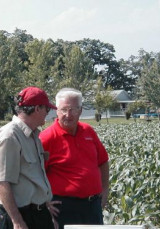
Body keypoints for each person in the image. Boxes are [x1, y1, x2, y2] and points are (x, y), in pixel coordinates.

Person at [0, 86, 61, 229]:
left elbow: (32, 177)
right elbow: (2, 183)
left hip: (38, 214)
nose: (48, 113)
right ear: (37, 108)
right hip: (20, 216)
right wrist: (17, 222)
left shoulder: (33, 136)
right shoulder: (10, 137)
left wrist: (45, 208)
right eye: (47, 109)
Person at [39, 88, 109, 229]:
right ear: (57, 111)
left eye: (73, 109)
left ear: (81, 110)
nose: (68, 115)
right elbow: (36, 174)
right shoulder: (46, 138)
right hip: (63, 207)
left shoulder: (88, 131)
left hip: (92, 206)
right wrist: (43, 203)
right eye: (63, 109)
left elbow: (103, 161)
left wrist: (105, 189)